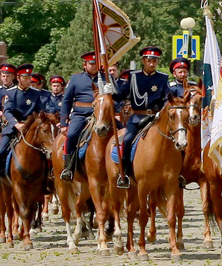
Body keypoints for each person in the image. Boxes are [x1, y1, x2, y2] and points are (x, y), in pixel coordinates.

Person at [113, 47, 172, 189]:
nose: (152, 64)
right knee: (127, 140)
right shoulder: (134, 77)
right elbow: (121, 95)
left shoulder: (162, 78)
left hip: (156, 117)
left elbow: (167, 97)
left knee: (175, 140)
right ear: (143, 60)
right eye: (149, 61)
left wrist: (163, 109)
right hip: (137, 117)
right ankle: (125, 173)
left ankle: (177, 172)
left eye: (155, 61)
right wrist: (111, 91)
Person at [0, 64, 46, 189]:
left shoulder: (35, 93)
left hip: (31, 128)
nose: (28, 80)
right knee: (1, 150)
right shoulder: (11, 93)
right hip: (14, 127)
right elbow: (7, 111)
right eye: (25, 78)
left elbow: (41, 110)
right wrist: (16, 123)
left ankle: (47, 180)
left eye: (29, 77)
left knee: (46, 151)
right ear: (18, 78)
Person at [59, 52, 105, 181]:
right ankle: (68, 168)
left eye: (96, 63)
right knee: (72, 135)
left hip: (102, 114)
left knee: (120, 133)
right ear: (84, 65)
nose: (94, 66)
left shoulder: (106, 78)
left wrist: (117, 114)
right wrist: (63, 123)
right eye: (91, 63)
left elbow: (115, 99)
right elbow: (67, 101)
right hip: (80, 114)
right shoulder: (75, 79)